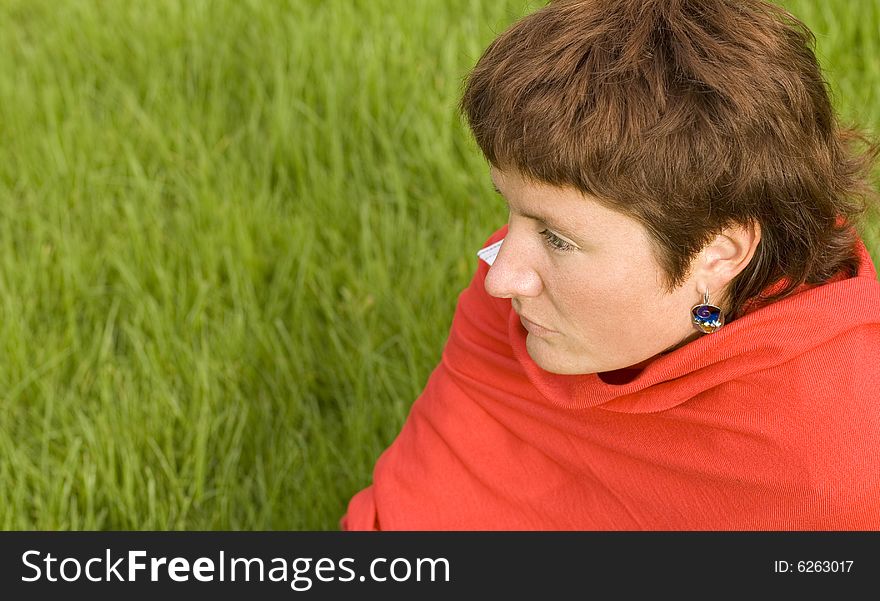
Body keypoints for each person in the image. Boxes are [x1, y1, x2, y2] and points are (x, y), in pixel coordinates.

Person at [341, 0, 880, 529]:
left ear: (719, 252)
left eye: (557, 238)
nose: (501, 275)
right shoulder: (521, 296)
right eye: (513, 210)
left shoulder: (836, 469)